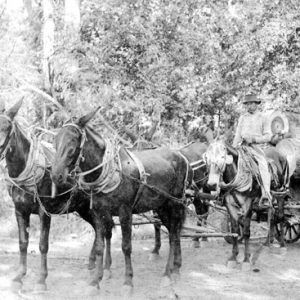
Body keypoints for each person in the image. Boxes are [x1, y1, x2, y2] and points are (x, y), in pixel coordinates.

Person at [232, 93, 274, 207]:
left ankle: (266, 193)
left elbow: (268, 136)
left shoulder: (263, 117)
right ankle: (224, 192)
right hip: (243, 146)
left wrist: (254, 139)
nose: (249, 106)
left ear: (256, 104)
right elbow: (237, 135)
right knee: (229, 162)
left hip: (257, 148)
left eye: (251, 103)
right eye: (247, 104)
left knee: (262, 165)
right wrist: (233, 147)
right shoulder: (243, 117)